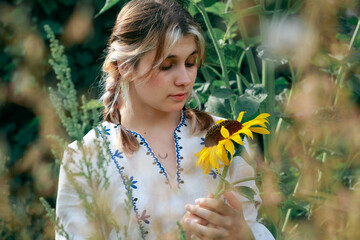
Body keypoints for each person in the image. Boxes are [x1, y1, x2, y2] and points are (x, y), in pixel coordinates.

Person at [55, 0, 275, 239]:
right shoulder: (86, 158)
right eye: (167, 66)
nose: (185, 79)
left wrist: (245, 235)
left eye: (190, 63)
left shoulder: (224, 133)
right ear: (126, 67)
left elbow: (253, 225)